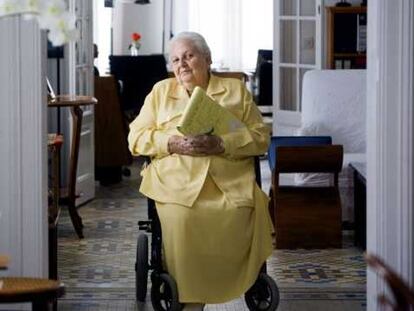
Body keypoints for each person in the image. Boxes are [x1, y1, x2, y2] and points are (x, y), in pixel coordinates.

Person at [128, 31, 274, 311]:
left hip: (228, 179)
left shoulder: (235, 90)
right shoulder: (160, 92)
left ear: (207, 59)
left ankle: (237, 281)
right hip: (175, 181)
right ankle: (189, 297)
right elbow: (135, 138)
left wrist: (222, 142)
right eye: (175, 60)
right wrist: (171, 142)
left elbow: (260, 137)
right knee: (181, 217)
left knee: (242, 212)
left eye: (189, 56)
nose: (181, 64)